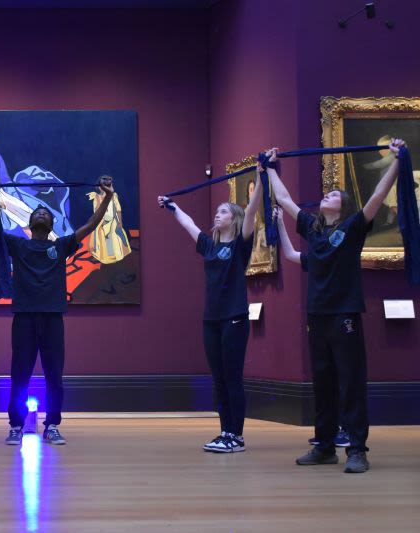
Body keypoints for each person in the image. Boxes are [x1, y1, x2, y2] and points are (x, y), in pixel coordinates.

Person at [265, 140, 405, 473]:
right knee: (323, 381)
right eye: (326, 194)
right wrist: (269, 167)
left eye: (334, 194)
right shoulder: (313, 231)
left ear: (342, 206)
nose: (326, 195)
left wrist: (397, 162)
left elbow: (375, 199)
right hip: (317, 315)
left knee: (351, 381)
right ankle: (325, 446)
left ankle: (357, 449)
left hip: (345, 315)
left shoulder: (353, 227)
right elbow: (284, 199)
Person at [4, 177, 116, 446]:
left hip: (53, 318)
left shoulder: (60, 246)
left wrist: (108, 198)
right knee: (20, 373)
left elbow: (90, 225)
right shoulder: (18, 245)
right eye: (37, 212)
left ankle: (52, 424)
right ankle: (16, 426)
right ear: (30, 224)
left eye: (46, 212)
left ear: (51, 223)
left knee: (55, 373)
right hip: (25, 318)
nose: (42, 213)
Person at [157, 169, 262, 454]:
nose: (217, 215)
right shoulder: (209, 245)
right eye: (216, 211)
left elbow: (252, 210)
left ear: (234, 219)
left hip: (235, 318)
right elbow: (189, 224)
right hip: (212, 320)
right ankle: (224, 431)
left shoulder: (241, 245)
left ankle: (236, 436)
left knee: (232, 377)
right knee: (218, 378)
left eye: (223, 211)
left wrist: (262, 175)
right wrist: (172, 206)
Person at [275, 206, 351, 450]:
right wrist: (279, 224)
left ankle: (346, 428)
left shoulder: (345, 242)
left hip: (342, 313)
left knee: (344, 373)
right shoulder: (317, 253)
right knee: (325, 375)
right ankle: (330, 431)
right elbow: (290, 254)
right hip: (319, 316)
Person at [86, 174, 131, 264]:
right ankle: (99, 255)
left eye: (107, 186)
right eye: (103, 186)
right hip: (101, 221)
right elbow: (96, 211)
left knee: (113, 237)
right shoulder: (96, 197)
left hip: (112, 221)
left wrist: (120, 222)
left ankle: (113, 256)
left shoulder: (114, 196)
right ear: (99, 187)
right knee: (99, 238)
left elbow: (118, 209)